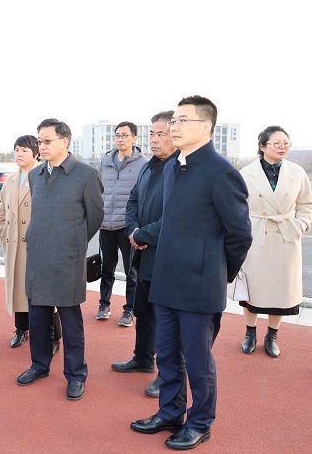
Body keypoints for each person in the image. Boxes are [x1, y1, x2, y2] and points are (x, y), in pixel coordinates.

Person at [130, 96, 252, 450]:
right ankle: (170, 412)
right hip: (166, 279)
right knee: (167, 356)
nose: (174, 126)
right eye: (174, 120)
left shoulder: (220, 171)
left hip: (200, 285)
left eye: (183, 120)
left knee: (198, 362)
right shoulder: (173, 167)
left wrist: (219, 272)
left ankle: (199, 422)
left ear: (206, 126)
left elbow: (240, 234)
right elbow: (170, 222)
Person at [16, 118, 103, 401]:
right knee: (38, 318)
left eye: (47, 141)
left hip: (68, 259)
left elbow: (95, 218)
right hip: (38, 257)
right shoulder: (36, 174)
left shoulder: (86, 175)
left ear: (64, 142)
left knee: (71, 322)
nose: (41, 146)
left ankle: (76, 374)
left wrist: (73, 242)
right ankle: (39, 365)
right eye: (39, 141)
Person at [112, 111, 178, 398]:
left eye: (161, 134)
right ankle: (142, 358)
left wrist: (142, 235)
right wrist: (133, 230)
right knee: (144, 310)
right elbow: (133, 200)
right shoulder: (148, 167)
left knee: (166, 318)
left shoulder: (180, 169)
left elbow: (175, 217)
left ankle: (168, 374)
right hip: (143, 252)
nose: (155, 139)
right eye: (152, 133)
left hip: (167, 257)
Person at [238, 126, 312, 357]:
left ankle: (272, 336)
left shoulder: (297, 172)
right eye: (277, 143)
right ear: (263, 146)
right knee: (251, 288)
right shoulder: (246, 173)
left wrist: (301, 224)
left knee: (281, 289)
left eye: (286, 143)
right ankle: (250, 332)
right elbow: (236, 205)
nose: (283, 147)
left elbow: (306, 204)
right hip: (256, 236)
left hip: (285, 236)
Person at [0, 136, 61, 353]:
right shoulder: (11, 180)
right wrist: (3, 231)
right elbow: (2, 211)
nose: (19, 154)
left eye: (24, 150)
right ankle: (21, 329)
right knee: (18, 290)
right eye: (16, 150)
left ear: (36, 152)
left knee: (44, 293)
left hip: (36, 246)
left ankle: (53, 337)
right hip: (14, 244)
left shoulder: (44, 176)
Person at [97, 121, 147, 326]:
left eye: (125, 135)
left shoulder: (143, 163)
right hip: (105, 224)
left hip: (127, 226)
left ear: (134, 138)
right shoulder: (105, 160)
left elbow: (144, 195)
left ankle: (129, 310)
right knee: (106, 268)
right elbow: (98, 189)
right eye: (117, 135)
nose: (120, 139)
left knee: (131, 271)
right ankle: (104, 304)